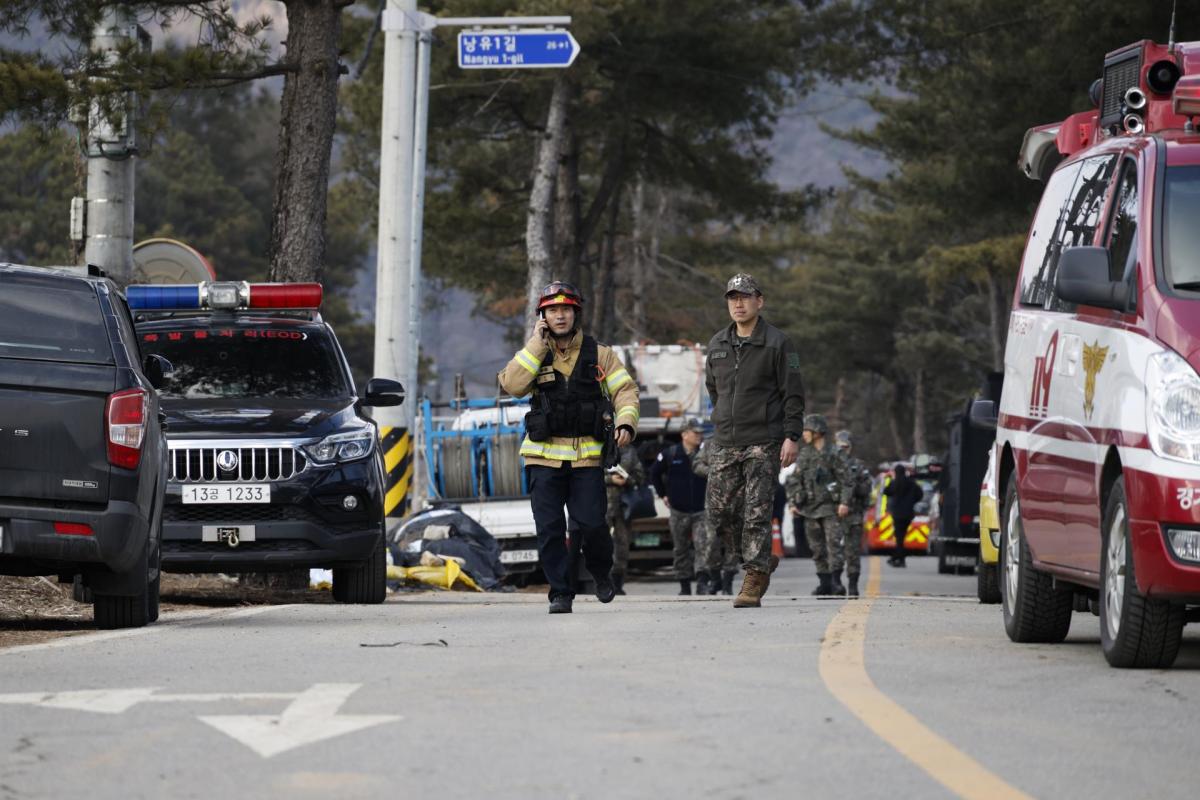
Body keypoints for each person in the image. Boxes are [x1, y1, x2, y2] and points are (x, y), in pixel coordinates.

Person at [498, 281, 640, 614]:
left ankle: (601, 573)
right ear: (542, 316)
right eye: (552, 310)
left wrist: (626, 423)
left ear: (575, 313)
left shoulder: (600, 354)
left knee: (591, 525)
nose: (559, 316)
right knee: (549, 530)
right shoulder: (535, 353)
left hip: (586, 459)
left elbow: (625, 391)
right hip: (542, 458)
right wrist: (536, 342)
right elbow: (512, 385)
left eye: (565, 309)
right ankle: (560, 592)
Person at [704, 273, 805, 608]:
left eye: (745, 297)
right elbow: (713, 389)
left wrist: (791, 436)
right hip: (725, 439)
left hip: (763, 440)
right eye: (732, 297)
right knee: (718, 512)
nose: (738, 303)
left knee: (756, 512)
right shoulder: (717, 343)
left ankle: (753, 578)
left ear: (759, 301)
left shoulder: (779, 343)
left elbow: (793, 394)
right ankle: (758, 561)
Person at [787, 414, 852, 596]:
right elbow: (794, 480)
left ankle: (836, 582)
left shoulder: (834, 453)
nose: (804, 434)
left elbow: (846, 480)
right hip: (809, 509)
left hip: (831, 508)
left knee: (833, 545)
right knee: (817, 548)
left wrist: (844, 502)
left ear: (817, 432)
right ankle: (824, 583)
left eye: (807, 430)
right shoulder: (805, 454)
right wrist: (793, 502)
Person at [650, 417, 710, 595]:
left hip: (701, 509)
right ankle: (684, 586)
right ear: (684, 434)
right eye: (695, 433)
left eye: (700, 433)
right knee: (680, 548)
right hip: (678, 511)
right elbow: (654, 473)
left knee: (703, 546)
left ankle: (702, 583)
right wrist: (663, 495)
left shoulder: (705, 454)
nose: (699, 436)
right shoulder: (671, 454)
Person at [689, 439, 739, 594]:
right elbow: (697, 464)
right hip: (713, 502)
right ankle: (715, 578)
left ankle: (727, 583)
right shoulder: (711, 443)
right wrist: (712, 471)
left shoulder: (741, 441)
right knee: (711, 543)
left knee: (733, 544)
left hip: (736, 501)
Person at [834, 429, 873, 597]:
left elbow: (866, 489)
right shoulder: (830, 464)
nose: (843, 450)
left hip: (853, 514)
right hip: (834, 514)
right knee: (833, 550)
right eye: (840, 447)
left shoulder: (859, 465)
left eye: (846, 446)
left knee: (852, 552)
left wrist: (853, 487)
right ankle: (835, 583)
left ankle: (853, 584)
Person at [606, 441, 645, 595]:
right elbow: (588, 477)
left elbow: (640, 476)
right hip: (602, 506)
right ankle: (603, 582)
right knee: (602, 545)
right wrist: (610, 480)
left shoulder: (630, 451)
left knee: (622, 546)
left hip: (624, 507)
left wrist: (627, 479)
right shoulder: (600, 446)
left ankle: (618, 583)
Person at [883, 464, 924, 568]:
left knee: (899, 537)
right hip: (908, 514)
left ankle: (898, 558)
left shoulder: (894, 483)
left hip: (897, 514)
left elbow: (886, 491)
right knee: (902, 536)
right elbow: (920, 494)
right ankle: (898, 558)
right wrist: (912, 502)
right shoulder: (911, 483)